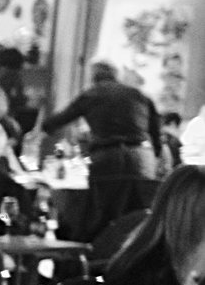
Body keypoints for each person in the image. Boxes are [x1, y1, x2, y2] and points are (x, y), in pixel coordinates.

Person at [44, 61, 165, 228]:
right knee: (140, 216)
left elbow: (58, 121)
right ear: (116, 76)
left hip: (108, 158)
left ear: (93, 77)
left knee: (102, 215)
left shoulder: (91, 94)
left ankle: (98, 250)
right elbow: (157, 133)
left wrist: (41, 127)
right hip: (142, 159)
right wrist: (156, 156)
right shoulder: (139, 94)